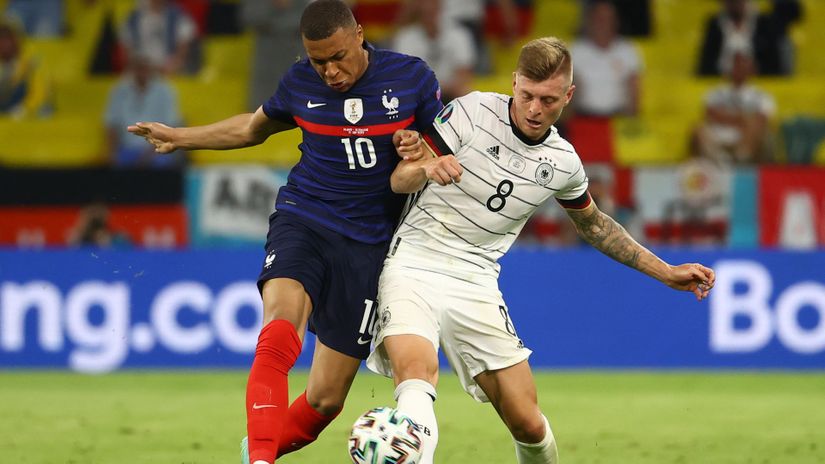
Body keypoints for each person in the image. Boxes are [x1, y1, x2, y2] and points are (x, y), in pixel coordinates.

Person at [366, 37, 716, 464]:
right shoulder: (472, 112)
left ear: (568, 96)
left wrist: (665, 271)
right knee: (417, 375)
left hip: (476, 280)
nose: (534, 109)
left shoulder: (564, 163)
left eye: (548, 100)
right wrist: (426, 167)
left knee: (528, 424)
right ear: (514, 82)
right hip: (413, 262)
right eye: (527, 95)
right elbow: (399, 179)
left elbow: (595, 225)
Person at [127, 1, 443, 463]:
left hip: (371, 245)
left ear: (359, 33)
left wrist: (418, 150)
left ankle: (259, 445)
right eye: (319, 61)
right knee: (279, 327)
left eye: (338, 57)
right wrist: (180, 136)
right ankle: (261, 458)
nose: (330, 72)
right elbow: (253, 129)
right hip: (305, 219)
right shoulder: (299, 82)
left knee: (325, 400)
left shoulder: (411, 77)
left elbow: (443, 146)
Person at [692, 51, 776, 164]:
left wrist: (727, 116)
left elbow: (762, 118)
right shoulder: (716, 92)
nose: (739, 70)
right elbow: (710, 113)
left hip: (746, 137)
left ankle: (741, 159)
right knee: (699, 129)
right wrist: (741, 118)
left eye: (743, 67)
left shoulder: (761, 95)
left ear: (751, 71)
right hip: (719, 133)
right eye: (736, 66)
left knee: (757, 127)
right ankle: (721, 160)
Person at [104, 53, 184, 168]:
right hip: (126, 148)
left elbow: (170, 127)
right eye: (138, 67)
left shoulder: (165, 91)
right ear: (132, 68)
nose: (142, 71)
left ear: (151, 68)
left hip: (157, 149)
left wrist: (150, 154)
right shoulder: (119, 90)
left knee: (161, 162)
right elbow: (111, 124)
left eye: (145, 67)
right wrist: (112, 153)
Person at [392, 0, 476, 103]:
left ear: (440, 8)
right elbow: (405, 76)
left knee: (466, 92)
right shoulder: (405, 38)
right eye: (426, 11)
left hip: (451, 92)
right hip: (419, 94)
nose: (429, 13)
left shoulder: (459, 34)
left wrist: (441, 88)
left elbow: (464, 74)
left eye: (432, 9)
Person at [118, 0, 200, 75]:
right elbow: (126, 47)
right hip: (140, 68)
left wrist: (173, 65)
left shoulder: (178, 16)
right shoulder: (134, 18)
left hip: (169, 69)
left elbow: (184, 46)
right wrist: (136, 66)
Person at [0, 16, 52, 118]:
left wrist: (25, 108)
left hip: (25, 117)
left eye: (8, 37)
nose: (4, 43)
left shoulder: (33, 62)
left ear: (17, 39)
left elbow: (40, 93)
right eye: (1, 38)